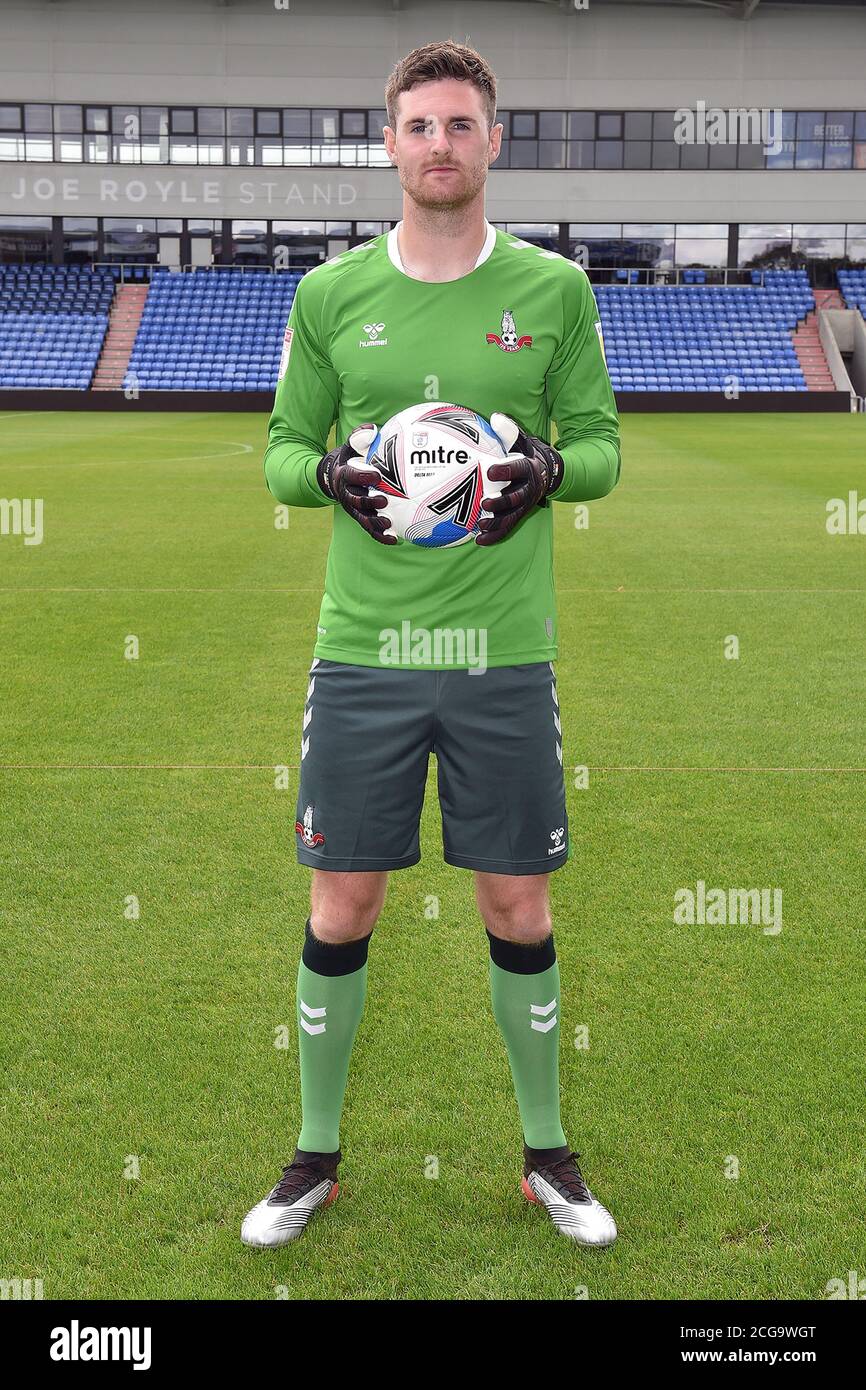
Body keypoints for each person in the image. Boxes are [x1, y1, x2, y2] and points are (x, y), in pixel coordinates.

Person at [242, 38, 621, 1249]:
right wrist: (333, 480)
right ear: (390, 142)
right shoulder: (329, 295)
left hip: (502, 653)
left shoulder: (556, 291)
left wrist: (554, 466)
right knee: (341, 897)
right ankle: (311, 1156)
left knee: (515, 900)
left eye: (461, 124)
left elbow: (605, 447)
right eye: (420, 126)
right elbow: (280, 453)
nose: (440, 145)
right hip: (363, 653)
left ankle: (547, 1155)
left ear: (492, 141)